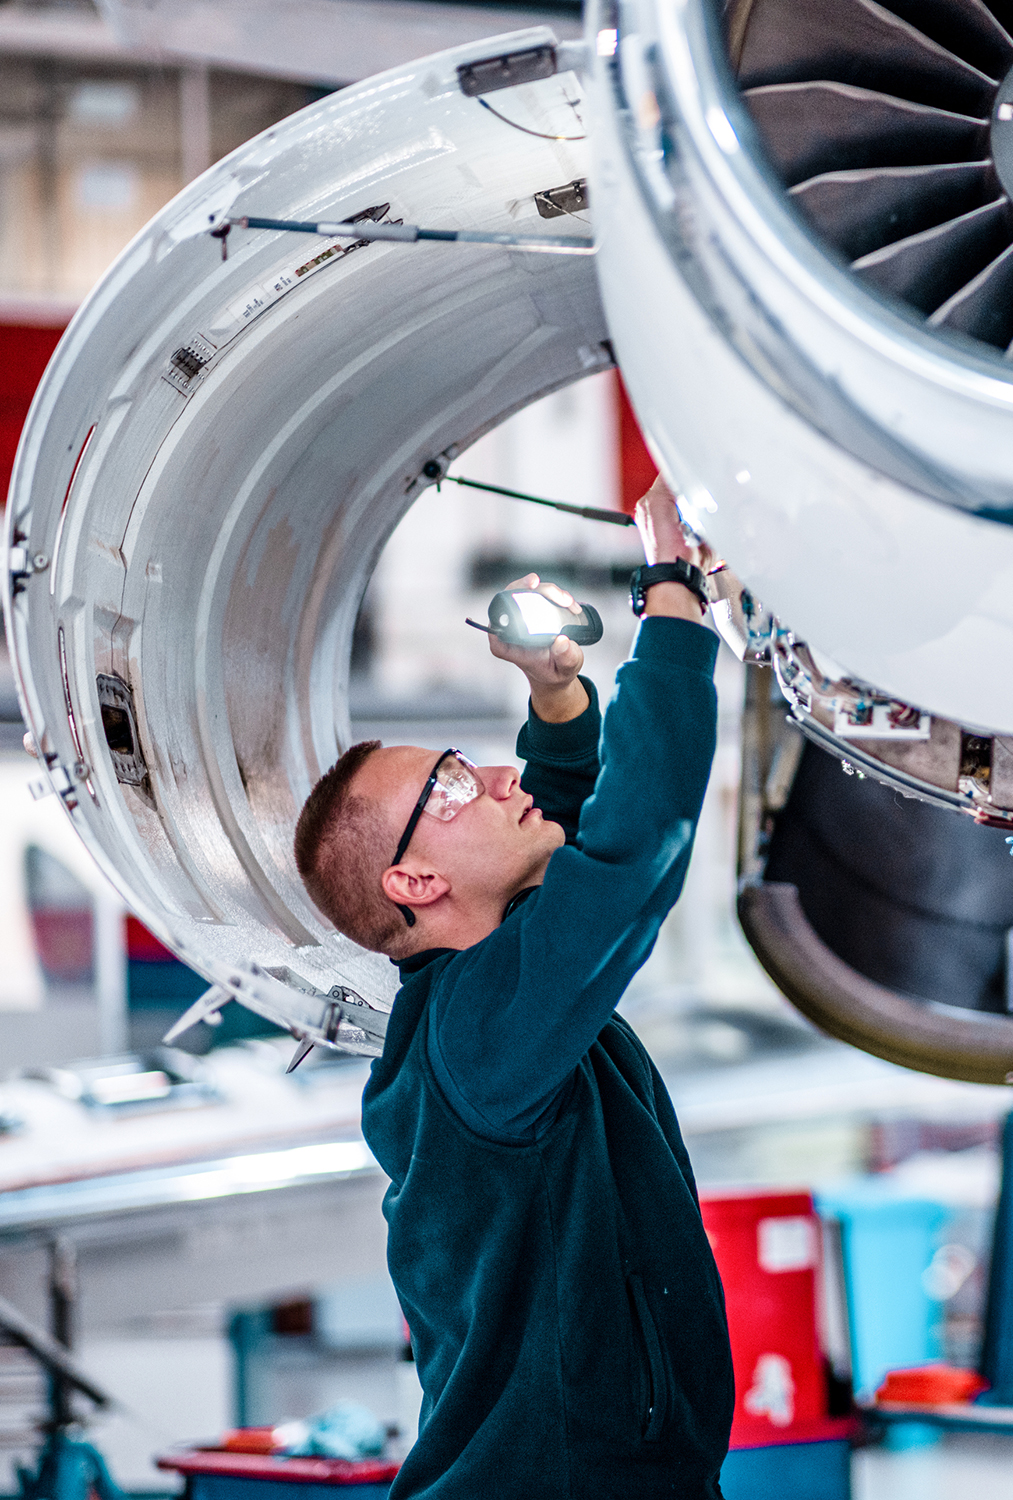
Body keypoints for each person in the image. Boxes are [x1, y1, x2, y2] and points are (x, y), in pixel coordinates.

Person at [291, 479, 733, 1499]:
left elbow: (561, 833)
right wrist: (673, 597)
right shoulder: (480, 1035)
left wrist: (555, 694)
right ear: (413, 884)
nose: (491, 774)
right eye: (447, 786)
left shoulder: (478, 1003)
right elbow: (628, 854)